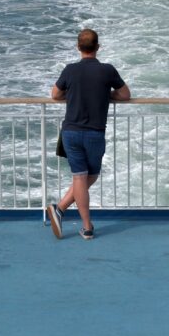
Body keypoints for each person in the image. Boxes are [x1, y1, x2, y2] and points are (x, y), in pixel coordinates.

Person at [46, 29, 130, 240]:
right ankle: (87, 226)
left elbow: (55, 94)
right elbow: (125, 94)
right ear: (98, 47)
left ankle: (60, 209)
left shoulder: (70, 70)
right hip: (95, 132)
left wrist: (73, 92)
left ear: (78, 47)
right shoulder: (107, 70)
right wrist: (105, 93)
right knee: (87, 177)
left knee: (82, 178)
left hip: (71, 132)